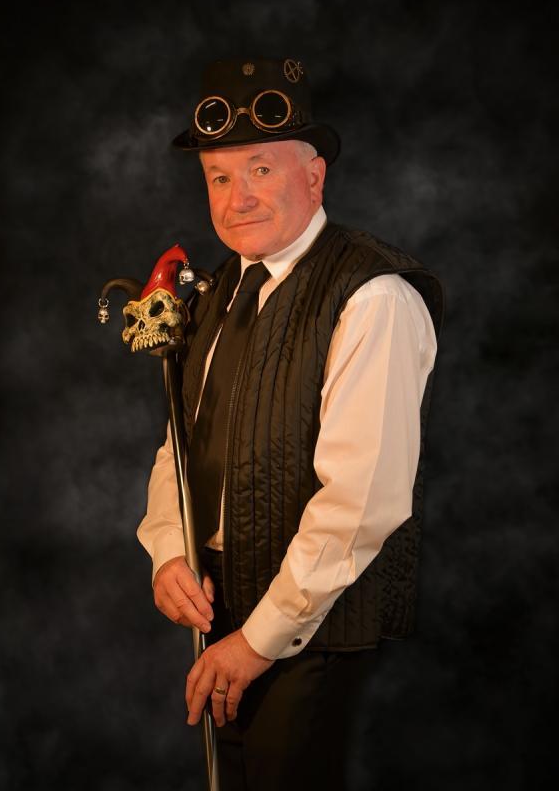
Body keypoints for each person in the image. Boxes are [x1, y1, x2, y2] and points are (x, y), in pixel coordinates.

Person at [137, 57, 444, 790]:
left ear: (314, 177)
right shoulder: (218, 292)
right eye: (219, 177)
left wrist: (258, 640)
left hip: (312, 630)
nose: (237, 197)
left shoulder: (373, 296)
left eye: (261, 170)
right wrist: (169, 549)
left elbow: (362, 501)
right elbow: (181, 440)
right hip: (220, 611)